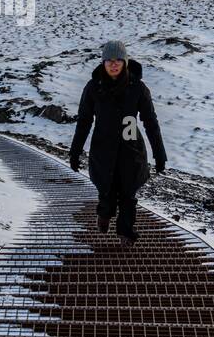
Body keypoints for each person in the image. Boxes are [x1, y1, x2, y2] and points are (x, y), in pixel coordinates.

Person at [69, 40, 167, 244]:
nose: (113, 64)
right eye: (109, 60)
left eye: (118, 60)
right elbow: (84, 121)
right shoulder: (93, 88)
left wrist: (159, 154)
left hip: (131, 147)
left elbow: (150, 121)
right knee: (107, 189)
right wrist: (75, 152)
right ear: (103, 63)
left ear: (125, 62)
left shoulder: (137, 87)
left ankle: (125, 232)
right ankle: (104, 214)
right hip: (103, 148)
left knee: (128, 192)